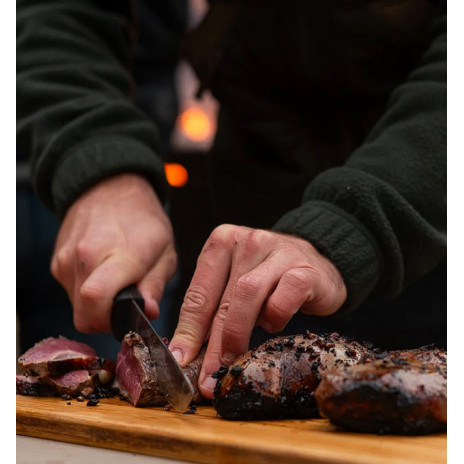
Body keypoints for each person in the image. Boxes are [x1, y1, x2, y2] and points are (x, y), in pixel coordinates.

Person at [17, 0, 446, 400]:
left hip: (431, 232)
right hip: (248, 231)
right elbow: (67, 11)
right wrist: (99, 162)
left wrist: (352, 225)